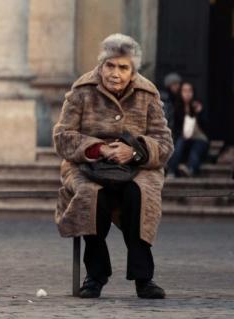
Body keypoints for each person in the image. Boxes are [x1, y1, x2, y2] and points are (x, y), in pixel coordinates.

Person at [53, 33, 173, 299]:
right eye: (110, 65)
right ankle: (95, 275)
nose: (115, 73)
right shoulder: (82, 91)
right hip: (87, 166)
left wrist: (134, 152)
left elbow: (164, 144)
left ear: (133, 71)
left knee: (139, 195)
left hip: (138, 167)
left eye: (123, 67)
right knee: (90, 197)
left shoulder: (147, 94)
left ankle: (144, 278)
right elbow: (62, 137)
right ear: (101, 65)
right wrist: (99, 149)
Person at [166, 81, 209, 177]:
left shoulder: (198, 105)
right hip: (183, 138)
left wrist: (200, 112)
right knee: (179, 145)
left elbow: (206, 126)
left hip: (199, 137)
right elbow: (176, 128)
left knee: (195, 151)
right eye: (184, 91)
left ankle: (190, 169)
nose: (187, 94)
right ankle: (171, 171)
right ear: (180, 93)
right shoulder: (177, 108)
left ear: (193, 93)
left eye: (190, 91)